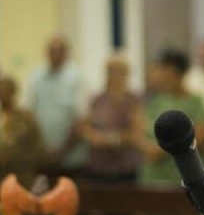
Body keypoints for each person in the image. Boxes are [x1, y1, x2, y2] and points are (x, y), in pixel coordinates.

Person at [136, 50, 204, 186]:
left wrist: (161, 150)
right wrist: (146, 148)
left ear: (180, 74)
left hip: (181, 177)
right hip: (152, 177)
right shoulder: (156, 101)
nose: (165, 78)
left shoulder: (195, 102)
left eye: (169, 74)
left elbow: (201, 134)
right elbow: (139, 129)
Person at [25, 36, 87, 174]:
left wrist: (61, 152)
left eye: (59, 51)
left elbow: (81, 120)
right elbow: (29, 114)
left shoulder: (77, 78)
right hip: (42, 156)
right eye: (52, 51)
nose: (55, 55)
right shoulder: (36, 77)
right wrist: (42, 148)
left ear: (67, 53)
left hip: (72, 159)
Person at [80, 56, 143, 182]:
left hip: (125, 168)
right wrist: (94, 136)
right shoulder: (97, 99)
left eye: (119, 71)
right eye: (111, 71)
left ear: (126, 74)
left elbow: (137, 131)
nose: (114, 76)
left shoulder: (133, 100)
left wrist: (112, 139)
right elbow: (84, 126)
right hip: (99, 167)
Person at [0, 76, 47, 188]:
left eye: (5, 91)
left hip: (21, 178)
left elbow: (38, 150)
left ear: (13, 92)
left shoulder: (26, 119)